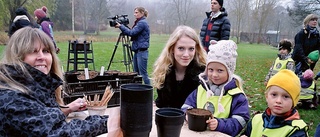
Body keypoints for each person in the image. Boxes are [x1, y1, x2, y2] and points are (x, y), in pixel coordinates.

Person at [0, 27, 108, 136]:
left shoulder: (37, 86)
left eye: (46, 51)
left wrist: (68, 108)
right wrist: (106, 123)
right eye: (32, 51)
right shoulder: (12, 98)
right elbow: (58, 133)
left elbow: (41, 118)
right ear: (16, 57)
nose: (41, 57)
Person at [181, 40, 250, 136]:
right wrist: (187, 115)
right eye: (211, 69)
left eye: (220, 70)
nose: (214, 74)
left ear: (229, 72)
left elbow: (240, 122)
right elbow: (186, 106)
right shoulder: (201, 89)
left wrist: (220, 124)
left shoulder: (237, 96)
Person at [152, 25, 207, 109]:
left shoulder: (204, 75)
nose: (186, 54)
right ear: (172, 49)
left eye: (191, 49)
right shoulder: (163, 71)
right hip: (168, 120)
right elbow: (161, 102)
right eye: (181, 48)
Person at [241, 69, 309, 137]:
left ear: (294, 101)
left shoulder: (296, 130)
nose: (278, 101)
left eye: (286, 96)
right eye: (274, 95)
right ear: (267, 96)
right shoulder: (256, 120)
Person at [115, 6, 150, 85]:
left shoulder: (142, 23)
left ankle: (149, 92)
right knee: (136, 73)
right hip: (138, 51)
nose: (134, 14)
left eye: (136, 12)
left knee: (143, 74)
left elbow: (132, 33)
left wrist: (121, 26)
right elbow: (132, 32)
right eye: (134, 12)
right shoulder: (139, 22)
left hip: (142, 52)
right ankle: (138, 90)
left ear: (142, 13)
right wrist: (123, 27)